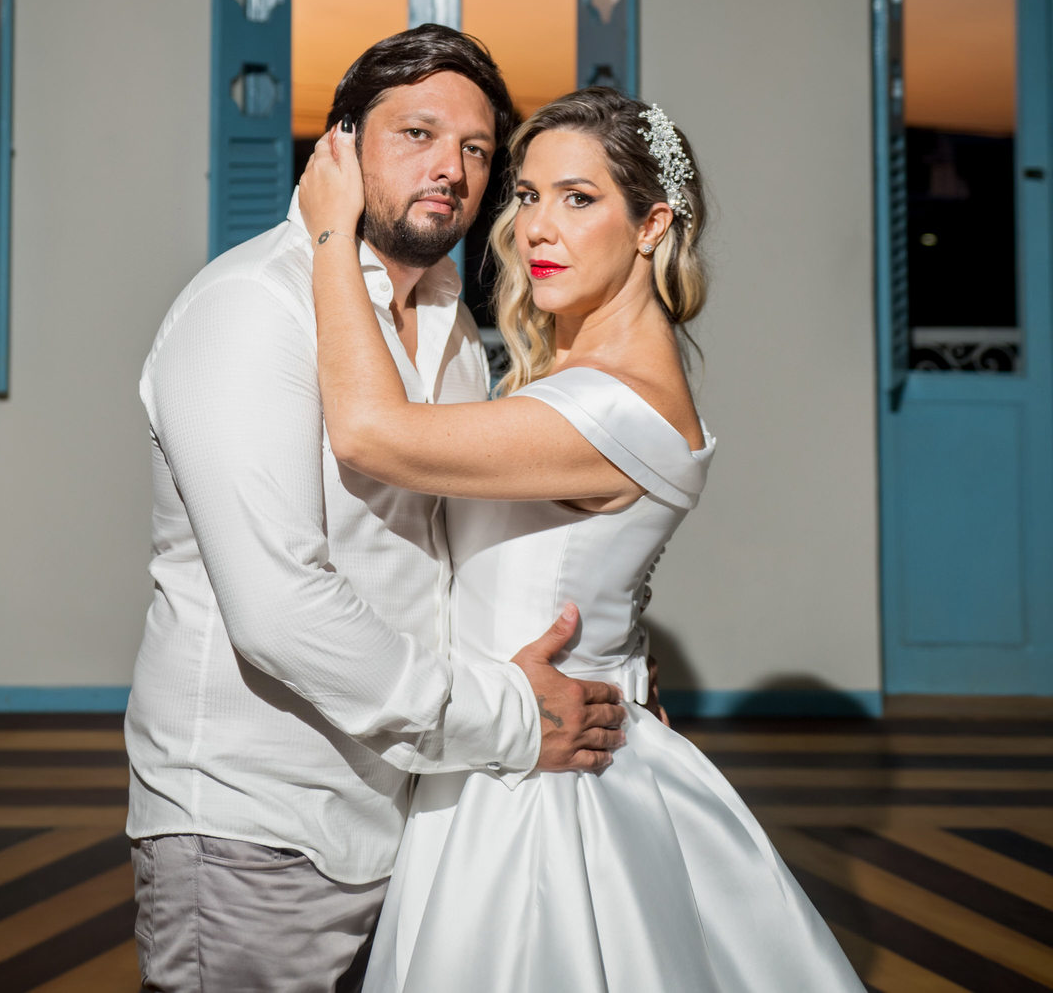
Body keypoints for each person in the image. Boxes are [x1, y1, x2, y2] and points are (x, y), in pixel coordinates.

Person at [299, 86, 864, 993]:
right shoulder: (578, 375)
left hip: (537, 789)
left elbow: (369, 433)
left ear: (651, 226)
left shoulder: (614, 404)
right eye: (527, 194)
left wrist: (331, 232)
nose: (536, 228)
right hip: (505, 737)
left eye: (578, 198)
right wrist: (624, 658)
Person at [124, 26, 626, 993]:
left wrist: (597, 667)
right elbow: (280, 609)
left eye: (476, 148)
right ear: (342, 147)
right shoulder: (252, 308)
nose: (452, 169)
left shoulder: (452, 324)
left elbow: (445, 560)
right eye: (418, 134)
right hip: (256, 822)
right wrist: (507, 719)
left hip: (412, 814)